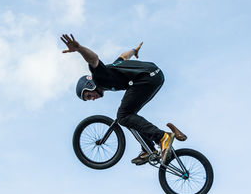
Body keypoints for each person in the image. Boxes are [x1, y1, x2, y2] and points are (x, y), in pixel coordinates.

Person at [61, 34, 187, 165]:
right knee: (130, 116)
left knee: (123, 116)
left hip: (146, 78)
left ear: (89, 85)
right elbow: (124, 56)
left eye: (88, 95)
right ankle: (148, 149)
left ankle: (162, 137)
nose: (92, 99)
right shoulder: (113, 68)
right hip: (154, 76)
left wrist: (79, 48)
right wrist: (135, 50)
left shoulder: (99, 77)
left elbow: (93, 59)